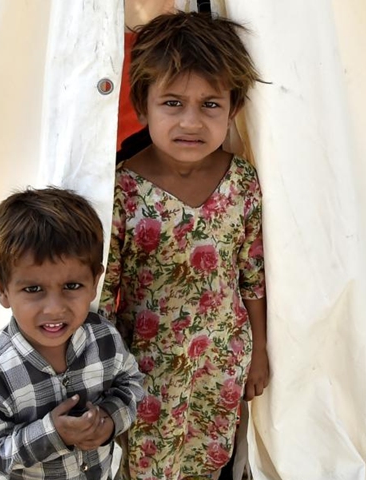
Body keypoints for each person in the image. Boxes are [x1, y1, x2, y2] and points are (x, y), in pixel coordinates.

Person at [99, 11, 269, 480]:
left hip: (222, 364)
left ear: (233, 108)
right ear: (142, 105)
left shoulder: (242, 181)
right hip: (146, 372)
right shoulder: (121, 191)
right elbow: (104, 295)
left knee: (208, 462)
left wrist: (258, 351)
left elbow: (252, 277)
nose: (191, 122)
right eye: (172, 103)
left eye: (210, 104)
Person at [0, 187, 145, 480]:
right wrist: (51, 434)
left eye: (72, 286)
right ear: (2, 289)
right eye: (33, 289)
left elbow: (132, 384)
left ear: (95, 281)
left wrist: (110, 419)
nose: (55, 309)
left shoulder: (104, 339)